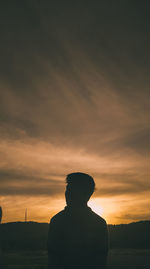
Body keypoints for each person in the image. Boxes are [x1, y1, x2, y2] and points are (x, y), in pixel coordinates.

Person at [48, 172, 108, 269]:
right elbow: (53, 258)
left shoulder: (99, 224)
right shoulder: (57, 221)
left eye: (73, 190)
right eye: (68, 189)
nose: (68, 193)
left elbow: (100, 260)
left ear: (87, 194)